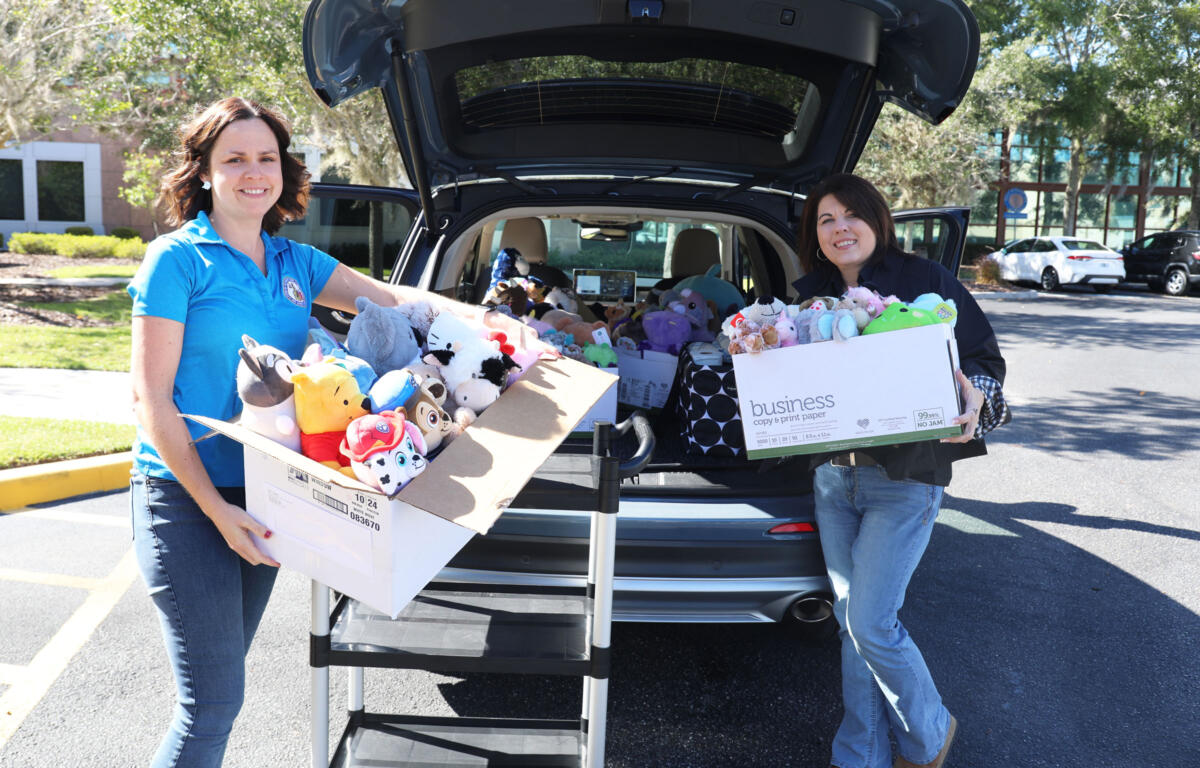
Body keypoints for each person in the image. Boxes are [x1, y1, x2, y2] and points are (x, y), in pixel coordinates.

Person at [126, 97, 545, 767]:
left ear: (283, 170)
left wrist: (500, 327)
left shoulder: (295, 264)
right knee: (209, 706)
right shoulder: (176, 263)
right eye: (233, 159)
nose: (252, 172)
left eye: (266, 157)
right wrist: (217, 511)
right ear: (203, 171)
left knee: (219, 698)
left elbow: (402, 303)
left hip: (266, 494)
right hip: (185, 501)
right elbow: (151, 402)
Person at [791, 173, 1010, 768]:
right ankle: (859, 754)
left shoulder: (924, 280)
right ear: (815, 234)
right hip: (833, 481)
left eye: (850, 215)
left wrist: (977, 400)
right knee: (850, 624)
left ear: (877, 219)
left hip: (904, 479)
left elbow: (985, 363)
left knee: (870, 621)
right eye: (825, 220)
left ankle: (929, 732)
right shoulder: (806, 294)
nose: (840, 229)